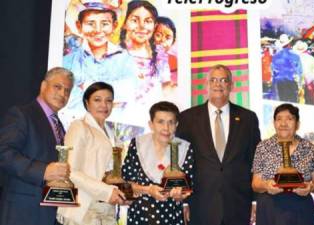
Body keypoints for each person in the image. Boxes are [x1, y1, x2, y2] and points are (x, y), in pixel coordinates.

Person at [176, 64, 261, 225]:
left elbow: (256, 162)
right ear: (206, 84)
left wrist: (255, 201)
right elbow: (181, 163)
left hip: (238, 203)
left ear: (231, 85)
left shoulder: (248, 118)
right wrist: (184, 202)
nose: (218, 84)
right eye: (213, 80)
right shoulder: (187, 118)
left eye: (223, 80)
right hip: (200, 203)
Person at [0, 67, 74, 225]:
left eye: (67, 90)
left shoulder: (59, 126)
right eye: (57, 87)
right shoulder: (22, 114)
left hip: (48, 214)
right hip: (22, 213)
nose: (63, 94)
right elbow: (3, 153)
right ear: (43, 86)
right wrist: (42, 171)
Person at [57, 82, 127, 225]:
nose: (104, 105)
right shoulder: (79, 126)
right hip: (84, 207)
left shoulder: (111, 132)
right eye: (97, 100)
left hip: (106, 208)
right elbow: (70, 171)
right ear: (87, 103)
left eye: (108, 100)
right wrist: (106, 192)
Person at [122, 101, 194, 225]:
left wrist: (180, 195)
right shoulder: (138, 144)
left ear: (176, 124)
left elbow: (187, 187)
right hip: (141, 215)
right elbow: (125, 186)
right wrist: (148, 190)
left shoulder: (184, 148)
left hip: (172, 216)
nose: (166, 128)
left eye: (170, 122)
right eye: (160, 122)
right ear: (151, 124)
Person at [63, 2, 136, 122]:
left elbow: (128, 93)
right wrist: (113, 99)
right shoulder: (68, 62)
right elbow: (70, 101)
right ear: (79, 26)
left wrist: (86, 86)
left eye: (104, 23)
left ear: (115, 25)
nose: (98, 30)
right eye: (90, 23)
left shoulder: (125, 59)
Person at [251, 103, 314, 225]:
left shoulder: (308, 147)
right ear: (274, 123)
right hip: (270, 208)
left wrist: (310, 187)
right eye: (279, 119)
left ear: (297, 124)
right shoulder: (263, 147)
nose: (283, 124)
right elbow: (255, 184)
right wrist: (267, 185)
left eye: (289, 118)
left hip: (301, 208)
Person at [119, 0, 171, 106]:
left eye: (148, 21)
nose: (142, 26)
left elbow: (166, 88)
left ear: (155, 25)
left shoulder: (160, 56)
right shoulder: (114, 54)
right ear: (124, 23)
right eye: (134, 20)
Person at [271, 34, 302, 103]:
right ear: (289, 44)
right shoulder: (295, 56)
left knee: (283, 103)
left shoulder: (275, 56)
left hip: (280, 82)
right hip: (291, 82)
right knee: (293, 104)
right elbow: (299, 71)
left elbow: (273, 71)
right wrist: (300, 85)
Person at [154, 16, 177, 86]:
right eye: (158, 35)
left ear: (173, 41)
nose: (163, 40)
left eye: (168, 38)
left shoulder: (173, 59)